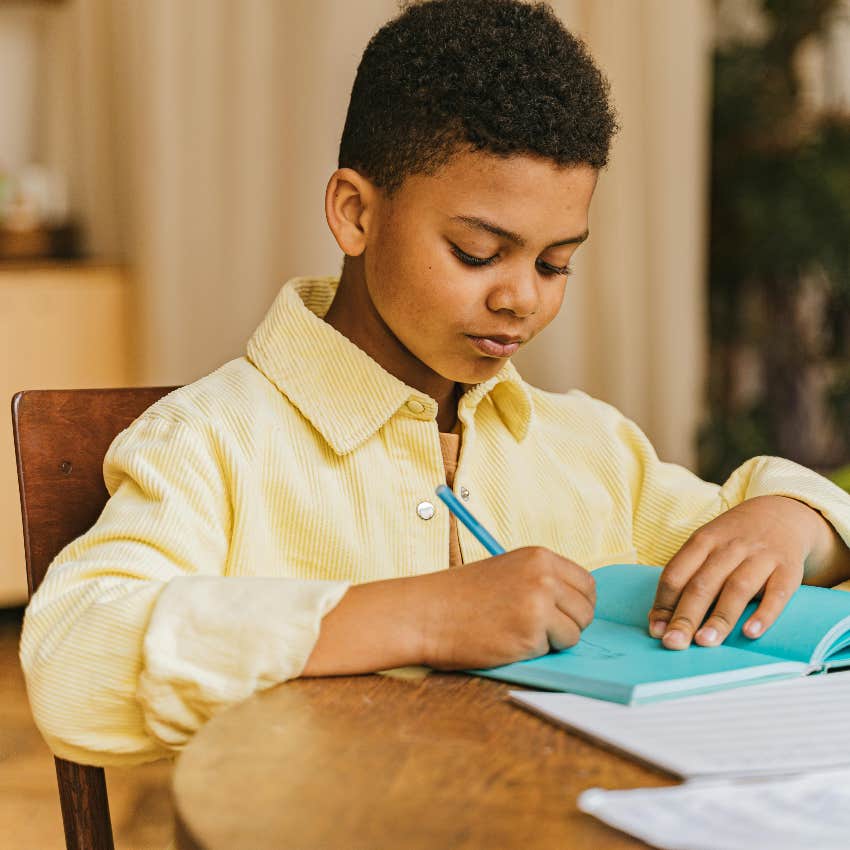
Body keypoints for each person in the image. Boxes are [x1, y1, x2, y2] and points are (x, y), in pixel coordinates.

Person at [21, 0, 850, 767]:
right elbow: (73, 660)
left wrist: (793, 520)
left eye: (556, 262)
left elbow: (745, 533)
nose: (521, 295)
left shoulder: (588, 451)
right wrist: (419, 615)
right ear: (355, 213)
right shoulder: (212, 442)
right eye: (478, 253)